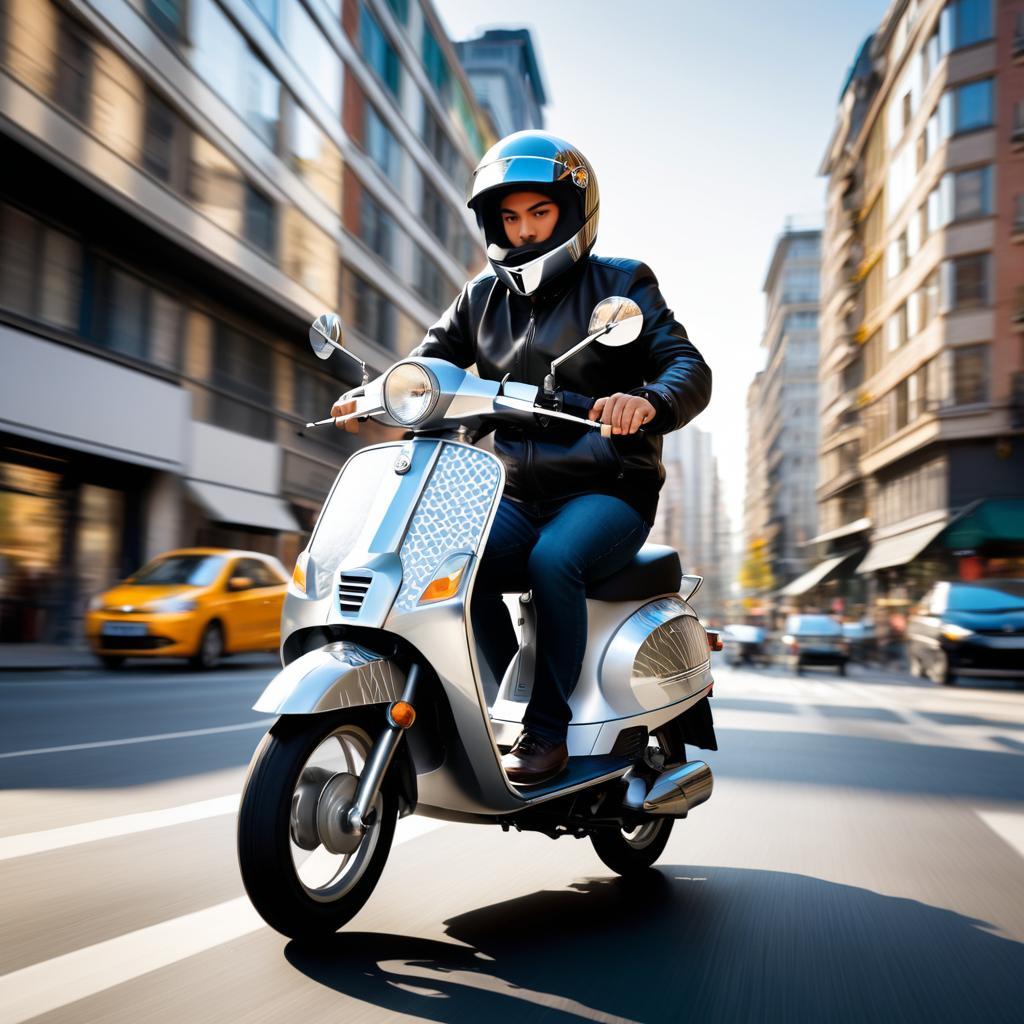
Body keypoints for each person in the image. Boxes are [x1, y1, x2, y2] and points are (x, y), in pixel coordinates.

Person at [333, 130, 711, 783]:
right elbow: (429, 364)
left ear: (570, 214)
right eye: (510, 217)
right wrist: (374, 394)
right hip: (509, 491)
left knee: (553, 560)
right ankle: (499, 697)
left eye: (540, 213)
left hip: (609, 488)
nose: (526, 230)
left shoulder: (620, 283)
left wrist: (646, 401)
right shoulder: (481, 297)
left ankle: (547, 729)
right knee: (442, 558)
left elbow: (687, 365)